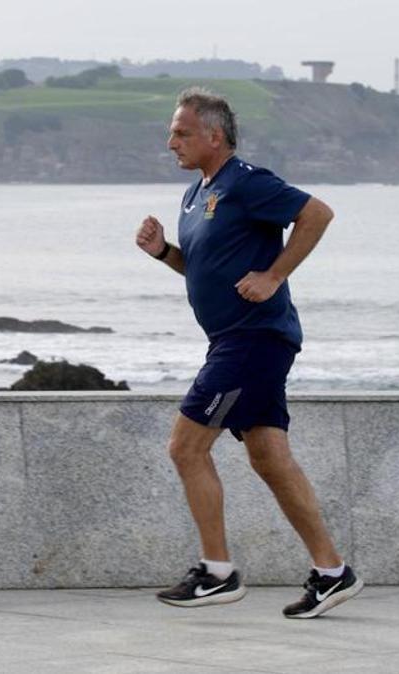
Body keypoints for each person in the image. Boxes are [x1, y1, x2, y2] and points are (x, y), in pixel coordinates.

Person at [135, 88, 362, 619]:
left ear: (215, 136)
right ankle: (333, 574)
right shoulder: (195, 195)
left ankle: (218, 572)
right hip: (232, 339)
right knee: (270, 458)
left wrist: (274, 274)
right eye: (172, 131)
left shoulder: (247, 181)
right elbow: (205, 269)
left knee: (186, 447)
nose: (171, 141)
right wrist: (165, 252)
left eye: (182, 132)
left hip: (254, 338)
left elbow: (318, 214)